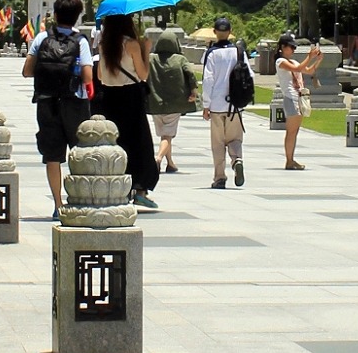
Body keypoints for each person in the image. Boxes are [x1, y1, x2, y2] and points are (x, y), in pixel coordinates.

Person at [23, 0, 93, 217]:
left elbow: (26, 71)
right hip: (74, 103)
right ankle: (81, 199)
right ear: (78, 16)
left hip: (46, 102)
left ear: (54, 14)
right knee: (80, 152)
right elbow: (88, 76)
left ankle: (57, 204)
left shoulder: (42, 38)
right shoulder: (81, 41)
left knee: (52, 156)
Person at [93, 13, 160, 208]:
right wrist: (146, 50)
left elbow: (100, 75)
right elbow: (144, 74)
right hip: (131, 97)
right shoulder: (131, 44)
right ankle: (140, 188)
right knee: (139, 143)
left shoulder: (104, 45)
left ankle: (118, 185)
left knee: (117, 142)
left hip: (109, 97)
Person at [202, 16, 248, 191]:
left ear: (215, 33)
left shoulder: (212, 53)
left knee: (218, 142)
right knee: (235, 138)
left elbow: (208, 80)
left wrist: (206, 104)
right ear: (230, 33)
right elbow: (248, 76)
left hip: (216, 105)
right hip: (235, 105)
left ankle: (219, 177)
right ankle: (237, 160)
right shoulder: (239, 52)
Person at [147, 28, 196, 174]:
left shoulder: (151, 59)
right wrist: (193, 91)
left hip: (155, 102)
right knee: (167, 135)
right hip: (175, 103)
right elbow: (190, 74)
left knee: (165, 134)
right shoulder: (180, 59)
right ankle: (158, 158)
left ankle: (170, 163)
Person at [275, 31, 323, 170]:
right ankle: (289, 160)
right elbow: (298, 68)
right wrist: (309, 56)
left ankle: (291, 159)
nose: (293, 50)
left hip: (299, 97)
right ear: (283, 47)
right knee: (291, 131)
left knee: (294, 131)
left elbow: (308, 71)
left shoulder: (294, 61)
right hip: (291, 97)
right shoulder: (280, 61)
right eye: (291, 47)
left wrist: (318, 60)